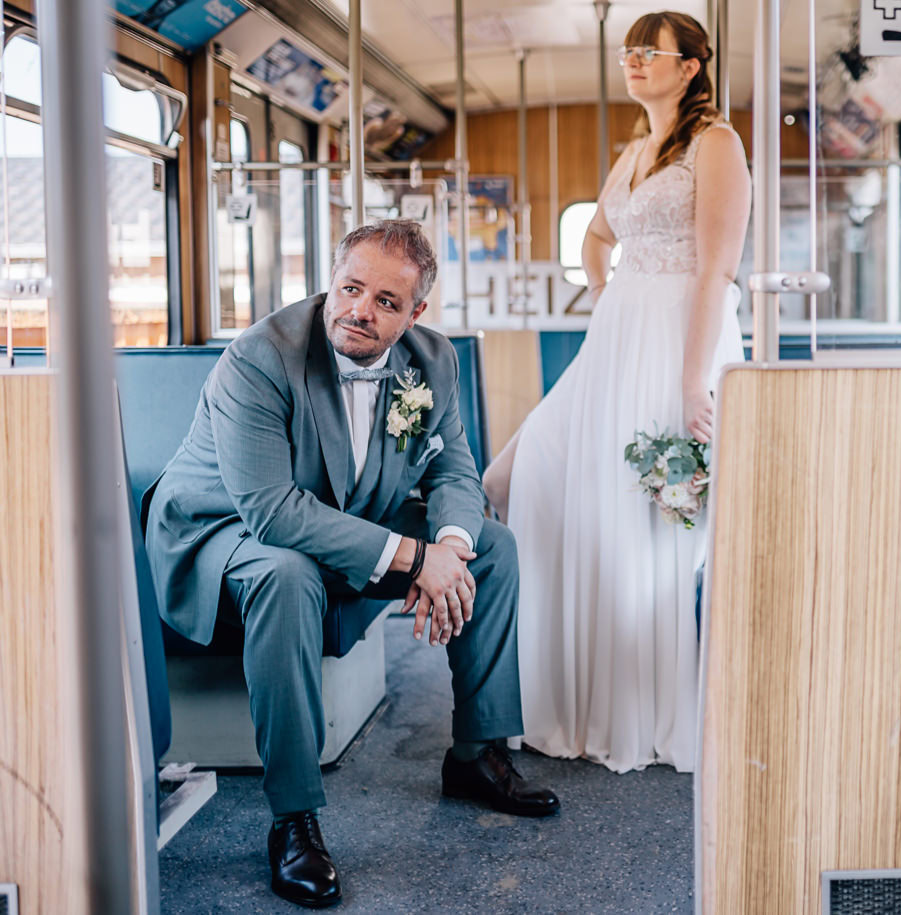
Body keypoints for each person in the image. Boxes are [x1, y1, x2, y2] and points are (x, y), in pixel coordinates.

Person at [144, 220, 559, 909]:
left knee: (492, 545)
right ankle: (294, 819)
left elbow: (457, 470)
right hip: (221, 530)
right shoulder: (260, 358)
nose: (361, 310)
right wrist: (412, 557)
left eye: (387, 302)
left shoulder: (433, 360)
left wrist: (450, 551)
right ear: (331, 280)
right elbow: (273, 513)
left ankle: (477, 752)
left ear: (416, 313)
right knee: (286, 574)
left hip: (341, 517)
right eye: (350, 288)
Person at [481, 11, 751, 774]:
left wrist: (694, 376)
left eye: (649, 52)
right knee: (525, 468)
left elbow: (716, 270)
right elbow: (597, 235)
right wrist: (607, 291)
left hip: (677, 340)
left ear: (690, 67)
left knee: (646, 515)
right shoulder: (635, 151)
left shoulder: (717, 145)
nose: (633, 62)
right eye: (628, 51)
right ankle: (562, 690)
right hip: (617, 338)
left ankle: (636, 703)